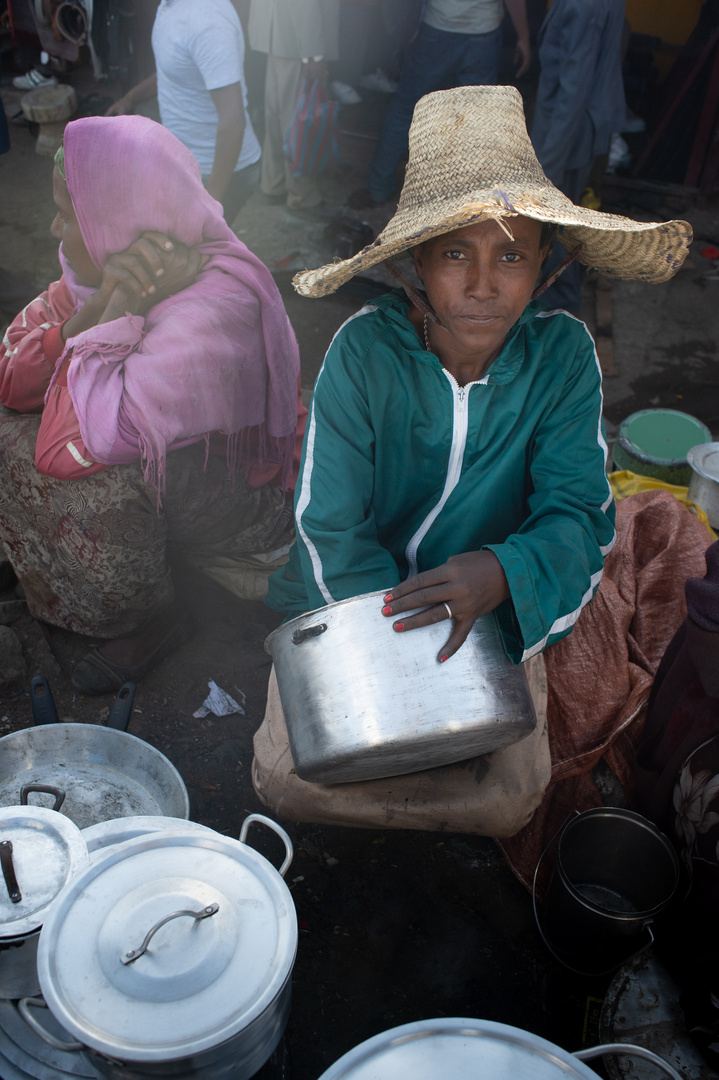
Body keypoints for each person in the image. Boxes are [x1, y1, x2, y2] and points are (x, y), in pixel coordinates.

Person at [251, 85, 696, 839]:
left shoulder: (561, 358)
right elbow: (326, 525)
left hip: (492, 616)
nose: (484, 284)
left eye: (510, 255)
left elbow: (576, 515)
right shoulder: (363, 353)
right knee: (285, 778)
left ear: (545, 268)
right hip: (361, 613)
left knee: (506, 797)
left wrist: (503, 572)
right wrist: (396, 647)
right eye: (455, 251)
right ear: (415, 261)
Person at [0, 114, 306, 695]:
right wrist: (95, 314)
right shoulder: (92, 278)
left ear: (116, 222)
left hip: (245, 508)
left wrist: (116, 313)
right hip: (181, 484)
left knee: (89, 479)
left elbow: (70, 451)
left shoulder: (218, 307)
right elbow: (10, 377)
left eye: (68, 213)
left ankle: (150, 616)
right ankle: (41, 559)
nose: (53, 226)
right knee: (19, 418)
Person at [349, 0, 532, 209]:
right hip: (482, 33)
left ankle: (378, 188)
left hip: (437, 28)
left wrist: (404, 27)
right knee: (473, 120)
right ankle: (460, 201)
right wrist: (524, 37)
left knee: (407, 109)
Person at [106, 0, 261, 223]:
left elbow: (233, 121)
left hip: (216, 170)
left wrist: (210, 203)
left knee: (195, 252)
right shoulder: (170, 6)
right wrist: (131, 99)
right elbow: (176, 68)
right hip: (186, 162)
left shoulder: (208, 20)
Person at [530, 0, 627, 314]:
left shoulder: (582, 6)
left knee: (558, 223)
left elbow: (574, 90)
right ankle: (559, 299)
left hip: (570, 131)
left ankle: (558, 306)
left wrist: (548, 163)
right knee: (564, 219)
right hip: (576, 125)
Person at [248, 0, 339, 211]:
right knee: (299, 121)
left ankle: (273, 184)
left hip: (278, 33)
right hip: (297, 41)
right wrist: (313, 53)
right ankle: (302, 195)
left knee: (277, 114)